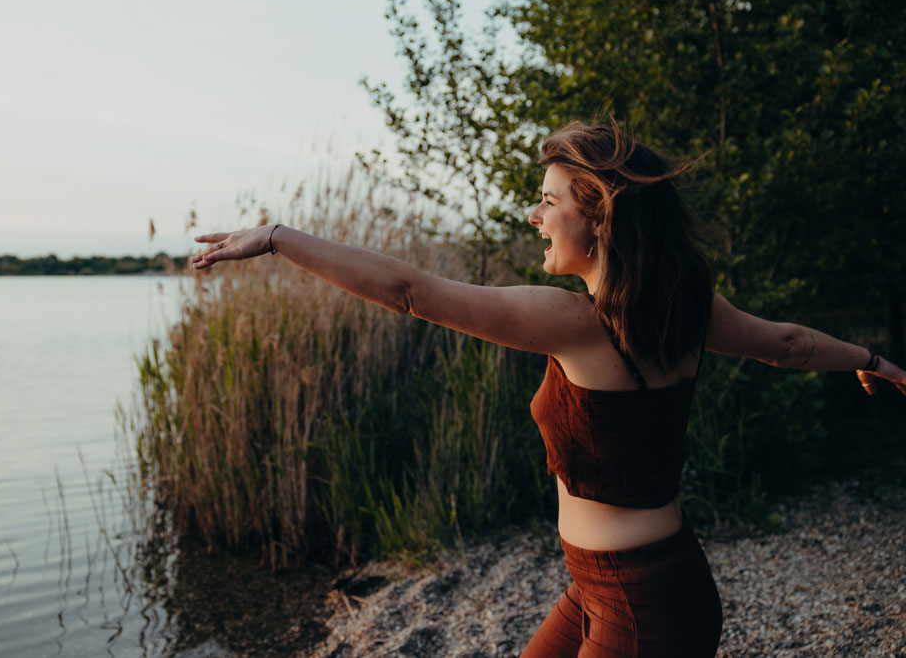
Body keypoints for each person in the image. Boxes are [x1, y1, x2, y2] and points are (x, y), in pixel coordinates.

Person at [190, 121, 906, 657]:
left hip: (641, 605)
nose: (534, 215)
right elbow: (788, 343)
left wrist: (279, 237)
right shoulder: (686, 305)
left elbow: (409, 291)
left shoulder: (574, 321)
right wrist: (874, 358)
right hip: (610, 587)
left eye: (547, 201)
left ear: (598, 216)